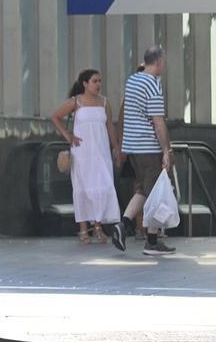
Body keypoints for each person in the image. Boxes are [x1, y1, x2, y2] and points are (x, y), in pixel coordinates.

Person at [49, 70, 122, 245]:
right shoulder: (76, 101)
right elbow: (55, 117)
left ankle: (98, 226)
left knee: (104, 187)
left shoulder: (105, 103)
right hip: (82, 152)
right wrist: (68, 136)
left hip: (101, 152)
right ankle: (83, 229)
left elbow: (110, 127)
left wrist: (117, 148)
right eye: (94, 81)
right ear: (85, 83)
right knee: (83, 188)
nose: (98, 84)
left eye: (100, 81)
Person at [118, 46, 175, 256]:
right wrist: (166, 150)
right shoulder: (153, 84)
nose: (164, 66)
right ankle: (152, 241)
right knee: (158, 191)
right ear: (159, 62)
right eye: (164, 62)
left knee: (144, 189)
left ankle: (122, 225)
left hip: (132, 146)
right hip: (149, 147)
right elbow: (158, 122)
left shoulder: (132, 81)